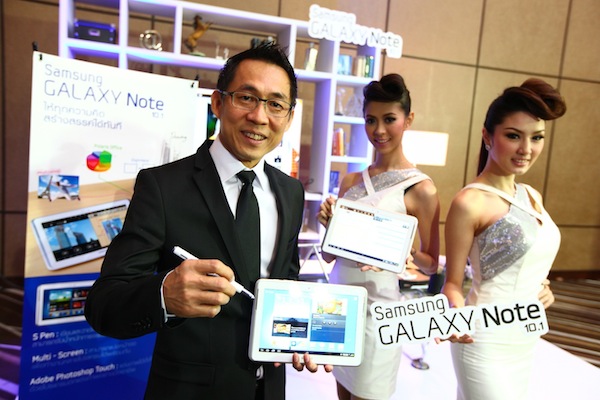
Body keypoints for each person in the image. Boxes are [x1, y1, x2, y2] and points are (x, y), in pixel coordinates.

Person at [85, 43, 331, 400]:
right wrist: (164, 295)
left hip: (269, 389)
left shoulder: (291, 192)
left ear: (289, 118)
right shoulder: (163, 187)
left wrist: (303, 331)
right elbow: (103, 304)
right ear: (217, 103)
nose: (259, 116)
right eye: (246, 98)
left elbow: (286, 279)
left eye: (275, 104)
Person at [441, 78, 566, 400]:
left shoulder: (531, 195)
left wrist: (543, 286)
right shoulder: (469, 202)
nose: (526, 149)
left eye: (536, 137)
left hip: (524, 337)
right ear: (488, 136)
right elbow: (452, 284)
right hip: (482, 339)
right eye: (513, 136)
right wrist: (454, 314)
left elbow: (529, 259)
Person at [318, 73, 440, 400]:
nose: (379, 130)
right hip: (338, 305)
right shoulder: (350, 181)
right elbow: (330, 256)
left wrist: (404, 254)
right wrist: (329, 225)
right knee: (342, 393)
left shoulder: (421, 189)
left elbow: (431, 264)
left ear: (408, 120)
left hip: (379, 312)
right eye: (371, 120)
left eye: (389, 119)